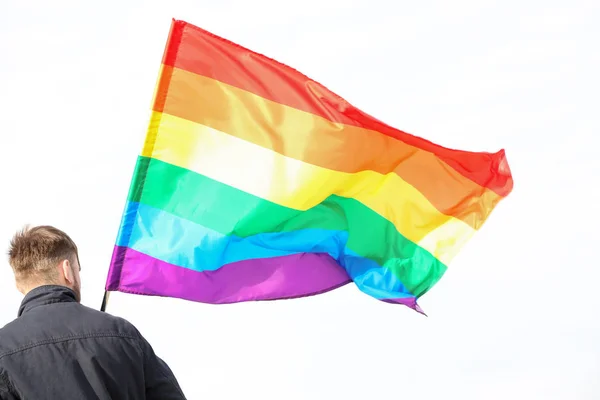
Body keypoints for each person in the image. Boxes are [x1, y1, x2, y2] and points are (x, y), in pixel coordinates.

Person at [0, 225, 187, 399]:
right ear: (67, 270)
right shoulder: (123, 333)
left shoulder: (4, 347)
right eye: (77, 269)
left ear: (18, 284)